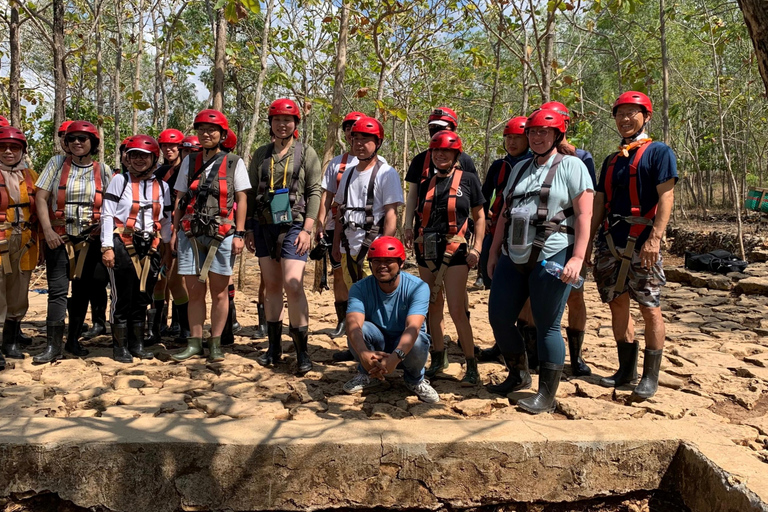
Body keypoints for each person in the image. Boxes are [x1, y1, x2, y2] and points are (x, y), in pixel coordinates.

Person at [485, 109, 593, 413]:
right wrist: (494, 252)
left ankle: (546, 394)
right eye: (532, 132)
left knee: (547, 324)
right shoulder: (519, 167)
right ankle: (518, 374)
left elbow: (584, 214)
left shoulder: (573, 166)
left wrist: (578, 257)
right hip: (513, 254)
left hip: (553, 254)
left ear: (557, 135)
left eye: (543, 132)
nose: (536, 137)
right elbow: (504, 214)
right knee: (499, 317)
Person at [592, 91, 677, 399]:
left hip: (643, 242)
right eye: (620, 114)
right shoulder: (612, 159)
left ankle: (650, 376)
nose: (625, 119)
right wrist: (589, 242)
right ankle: (625, 369)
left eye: (632, 113)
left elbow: (666, 196)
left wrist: (655, 238)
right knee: (617, 302)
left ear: (646, 116)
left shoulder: (659, 152)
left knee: (649, 306)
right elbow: (600, 200)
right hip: (611, 241)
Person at [172, 109, 250, 362]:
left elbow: (241, 197)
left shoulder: (235, 162)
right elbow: (180, 197)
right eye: (202, 129)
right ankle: (194, 342)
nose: (206, 133)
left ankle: (215, 343)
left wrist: (240, 233)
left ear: (222, 134)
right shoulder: (189, 161)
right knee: (194, 291)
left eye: (212, 130)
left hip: (222, 232)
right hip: (190, 232)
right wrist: (174, 231)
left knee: (219, 292)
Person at [34, 121, 112, 363]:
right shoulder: (57, 164)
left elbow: (111, 206)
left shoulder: (104, 170)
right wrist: (47, 230)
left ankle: (73, 341)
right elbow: (41, 196)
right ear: (66, 143)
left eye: (83, 138)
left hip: (90, 241)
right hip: (59, 238)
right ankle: (52, 346)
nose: (77, 142)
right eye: (73, 139)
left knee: (82, 292)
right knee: (57, 292)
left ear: (92, 143)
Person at [414, 131, 485, 386]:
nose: (440, 155)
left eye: (446, 151)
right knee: (433, 305)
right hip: (428, 252)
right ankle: (438, 358)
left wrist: (476, 249)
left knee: (456, 309)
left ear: (456, 155)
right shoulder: (426, 184)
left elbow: (479, 217)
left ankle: (471, 364)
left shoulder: (468, 180)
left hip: (455, 253)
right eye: (436, 151)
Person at [101, 135, 172, 362]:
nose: (139, 160)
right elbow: (107, 214)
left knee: (143, 296)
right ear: (127, 158)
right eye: (134, 156)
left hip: (151, 246)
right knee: (122, 296)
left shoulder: (162, 186)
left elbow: (168, 219)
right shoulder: (119, 181)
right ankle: (120, 346)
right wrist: (107, 247)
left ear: (154, 159)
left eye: (144, 156)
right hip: (123, 243)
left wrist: (166, 247)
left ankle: (137, 343)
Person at [343, 236, 439, 403]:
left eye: (388, 261)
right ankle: (367, 373)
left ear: (401, 263)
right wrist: (363, 353)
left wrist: (395, 358)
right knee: (359, 330)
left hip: (404, 346)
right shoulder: (359, 288)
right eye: (376, 261)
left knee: (418, 339)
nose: (382, 266)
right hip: (377, 341)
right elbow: (353, 323)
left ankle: (415, 380)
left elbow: (413, 327)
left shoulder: (418, 287)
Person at [539, 101, 596, 377]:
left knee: (575, 296)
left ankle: (577, 355)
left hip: (571, 238)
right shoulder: (533, 153)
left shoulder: (581, 157)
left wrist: (584, 248)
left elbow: (588, 204)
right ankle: (536, 353)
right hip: (540, 241)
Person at [332, 115, 403, 318]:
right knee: (355, 297)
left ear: (378, 142)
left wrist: (385, 253)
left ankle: (380, 341)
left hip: (374, 248)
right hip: (348, 247)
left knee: (379, 299)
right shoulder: (347, 173)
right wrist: (336, 242)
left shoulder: (386, 173)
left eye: (366, 139)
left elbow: (391, 214)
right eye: (356, 139)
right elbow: (340, 211)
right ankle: (358, 345)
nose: (359, 144)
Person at [478, 116, 532, 364]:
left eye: (517, 137)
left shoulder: (535, 164)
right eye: (508, 137)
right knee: (496, 285)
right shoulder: (498, 166)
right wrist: (484, 215)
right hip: (496, 231)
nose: (511, 142)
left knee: (524, 293)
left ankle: (525, 345)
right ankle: (503, 342)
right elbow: (484, 194)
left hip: (525, 235)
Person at [316, 111, 363, 349]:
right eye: (348, 128)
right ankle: (343, 320)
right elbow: (326, 196)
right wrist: (321, 223)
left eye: (356, 127)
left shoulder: (379, 163)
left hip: (365, 231)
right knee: (338, 274)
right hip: (338, 227)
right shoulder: (337, 163)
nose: (352, 132)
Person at [403, 107, 477, 250]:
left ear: (453, 129)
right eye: (433, 127)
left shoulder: (465, 161)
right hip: (424, 230)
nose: (436, 131)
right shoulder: (419, 161)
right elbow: (412, 195)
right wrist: (408, 226)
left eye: (442, 127)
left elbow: (475, 200)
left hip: (457, 232)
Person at [146, 128, 190, 346]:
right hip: (160, 228)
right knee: (158, 281)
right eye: (164, 146)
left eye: (173, 145)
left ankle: (185, 327)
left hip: (180, 229)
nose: (169, 149)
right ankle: (157, 327)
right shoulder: (159, 171)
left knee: (175, 280)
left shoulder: (188, 169)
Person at [0, 127, 40, 367]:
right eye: (3, 147)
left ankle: (11, 341)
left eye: (14, 147)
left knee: (19, 292)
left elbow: (41, 206)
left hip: (25, 239)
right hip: (1, 238)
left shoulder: (31, 176)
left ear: (22, 151)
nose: (8, 151)